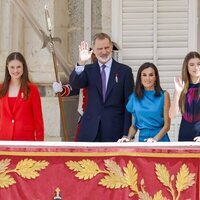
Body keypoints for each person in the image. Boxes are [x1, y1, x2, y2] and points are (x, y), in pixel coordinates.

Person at [69, 32, 134, 142]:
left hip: (115, 131)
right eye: (99, 49)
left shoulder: (124, 71)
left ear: (111, 47)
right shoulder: (88, 70)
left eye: (107, 47)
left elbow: (129, 105)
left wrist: (126, 134)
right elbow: (75, 83)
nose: (104, 52)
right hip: (89, 131)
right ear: (93, 50)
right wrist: (81, 62)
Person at [118, 62, 171, 142]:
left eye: (151, 75)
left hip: (160, 140)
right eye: (144, 75)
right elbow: (133, 126)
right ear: (140, 77)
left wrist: (155, 139)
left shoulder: (164, 95)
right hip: (142, 140)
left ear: (155, 77)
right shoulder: (134, 97)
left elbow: (167, 126)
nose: (148, 78)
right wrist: (128, 138)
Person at [0, 52, 44, 141]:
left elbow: (38, 119)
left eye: (18, 67)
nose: (15, 70)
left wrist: (39, 144)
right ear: (7, 68)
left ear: (23, 67)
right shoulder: (1, 88)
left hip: (25, 140)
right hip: (3, 139)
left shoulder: (32, 89)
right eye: (12, 67)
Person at [169, 51, 200, 142]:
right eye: (191, 64)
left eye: (199, 64)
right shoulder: (181, 86)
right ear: (186, 67)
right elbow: (172, 115)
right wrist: (178, 92)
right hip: (184, 135)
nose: (196, 67)